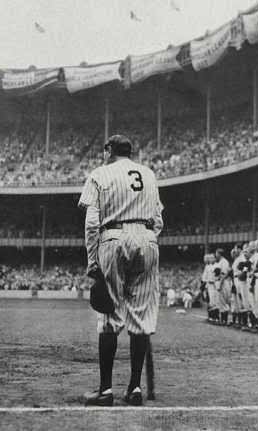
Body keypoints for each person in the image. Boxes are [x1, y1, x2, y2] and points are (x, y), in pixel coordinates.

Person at [79, 134, 164, 407]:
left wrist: (93, 261)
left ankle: (105, 391)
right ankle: (135, 388)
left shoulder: (100, 173)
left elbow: (92, 222)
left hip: (113, 238)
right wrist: (145, 237)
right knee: (140, 319)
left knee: (109, 318)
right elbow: (159, 219)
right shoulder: (149, 174)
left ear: (108, 150)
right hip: (147, 238)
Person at [215, 248, 232, 325]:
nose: (216, 255)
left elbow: (224, 274)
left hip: (224, 282)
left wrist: (220, 284)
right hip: (220, 281)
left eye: (216, 254)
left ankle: (225, 320)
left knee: (223, 301)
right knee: (221, 301)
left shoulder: (224, 262)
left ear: (219, 254)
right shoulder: (220, 262)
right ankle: (223, 320)